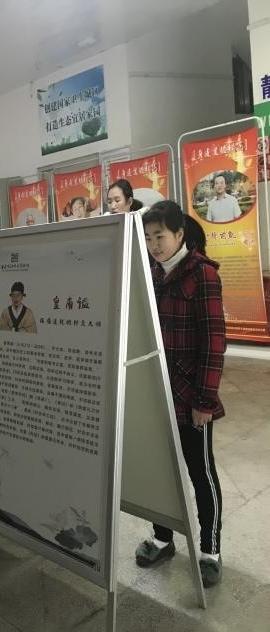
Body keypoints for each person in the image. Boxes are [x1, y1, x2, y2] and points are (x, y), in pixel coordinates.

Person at [138, 200, 226, 588]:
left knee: (200, 473)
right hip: (157, 392)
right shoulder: (151, 273)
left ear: (179, 234)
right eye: (148, 238)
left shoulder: (203, 274)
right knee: (161, 470)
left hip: (191, 397)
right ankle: (162, 538)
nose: (154, 245)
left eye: (159, 236)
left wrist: (205, 401)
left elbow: (214, 343)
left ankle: (210, 550)